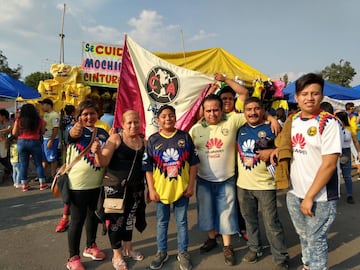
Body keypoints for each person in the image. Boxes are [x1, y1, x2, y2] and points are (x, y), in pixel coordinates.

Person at [189, 94, 280, 266]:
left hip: (227, 179)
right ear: (203, 111)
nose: (212, 114)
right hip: (204, 180)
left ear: (222, 109)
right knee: (206, 212)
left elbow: (252, 112)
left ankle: (227, 246)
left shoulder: (232, 121)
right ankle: (211, 239)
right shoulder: (195, 130)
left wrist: (271, 118)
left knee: (226, 213)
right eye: (208, 111)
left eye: (216, 109)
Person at [272, 73, 342, 270]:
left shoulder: (328, 123)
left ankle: (317, 267)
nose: (309, 98)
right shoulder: (292, 121)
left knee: (316, 238)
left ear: (321, 96)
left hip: (320, 197)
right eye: (304, 93)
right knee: (304, 236)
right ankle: (307, 265)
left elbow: (329, 164)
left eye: (314, 93)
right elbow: (288, 146)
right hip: (295, 193)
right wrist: (278, 151)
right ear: (296, 97)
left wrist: (309, 197)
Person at [143, 105, 199, 270]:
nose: (168, 118)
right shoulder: (153, 140)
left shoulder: (185, 137)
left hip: (182, 190)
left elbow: (194, 164)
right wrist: (151, 190)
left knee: (182, 222)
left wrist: (191, 186)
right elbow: (147, 168)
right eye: (164, 116)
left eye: (171, 115)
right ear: (158, 120)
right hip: (161, 192)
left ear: (176, 117)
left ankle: (183, 252)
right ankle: (162, 252)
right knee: (162, 222)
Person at [236, 97, 288, 270]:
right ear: (244, 112)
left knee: (271, 223)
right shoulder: (239, 129)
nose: (252, 112)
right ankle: (254, 248)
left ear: (262, 110)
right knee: (249, 220)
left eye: (256, 109)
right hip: (243, 186)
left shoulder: (273, 128)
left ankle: (280, 258)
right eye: (248, 109)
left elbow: (286, 147)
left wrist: (273, 150)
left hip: (266, 185)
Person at [92, 110, 146, 270]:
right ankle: (117, 254)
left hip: (136, 188)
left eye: (136, 121)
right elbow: (103, 161)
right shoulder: (116, 138)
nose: (133, 125)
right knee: (116, 222)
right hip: (115, 188)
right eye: (129, 122)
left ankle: (128, 248)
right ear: (123, 124)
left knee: (129, 220)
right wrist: (97, 153)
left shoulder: (143, 141)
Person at [65, 99, 109, 270]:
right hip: (78, 185)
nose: (89, 117)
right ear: (79, 117)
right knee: (77, 220)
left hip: (97, 184)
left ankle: (90, 246)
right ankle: (72, 257)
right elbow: (71, 135)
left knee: (93, 217)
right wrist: (75, 129)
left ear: (98, 114)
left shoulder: (103, 133)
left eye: (92, 113)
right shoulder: (75, 130)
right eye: (85, 114)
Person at [11, 104, 47, 191]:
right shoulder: (39, 120)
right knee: (38, 164)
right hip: (35, 142)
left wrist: (21, 134)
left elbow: (14, 133)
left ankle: (24, 185)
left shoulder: (19, 120)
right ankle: (42, 184)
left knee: (23, 165)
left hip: (21, 143)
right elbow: (42, 131)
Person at [55, 104, 76, 233]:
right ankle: (65, 218)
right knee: (68, 192)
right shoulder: (73, 124)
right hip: (71, 160)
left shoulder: (63, 121)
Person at [335, 111, 360, 204]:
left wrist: (359, 152)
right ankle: (335, 195)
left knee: (347, 175)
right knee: (335, 175)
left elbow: (355, 141)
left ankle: (349, 195)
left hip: (346, 152)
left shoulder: (349, 129)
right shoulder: (334, 128)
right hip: (336, 152)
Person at [39, 98, 60, 181]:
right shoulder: (45, 114)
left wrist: (51, 140)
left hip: (51, 139)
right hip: (44, 139)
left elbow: (56, 128)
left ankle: (53, 175)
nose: (42, 107)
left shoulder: (55, 115)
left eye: (43, 105)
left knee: (52, 158)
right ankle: (42, 175)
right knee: (44, 158)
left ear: (48, 105)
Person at [0, 108, 13, 178]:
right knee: (3, 158)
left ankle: (9, 170)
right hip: (2, 142)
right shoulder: (0, 123)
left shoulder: (10, 122)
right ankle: (8, 170)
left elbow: (10, 129)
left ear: (3, 116)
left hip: (9, 142)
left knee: (7, 157)